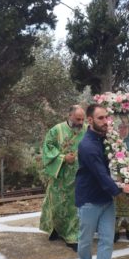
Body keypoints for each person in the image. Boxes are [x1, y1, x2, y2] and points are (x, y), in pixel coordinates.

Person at [76, 103, 129, 259]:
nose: (106, 121)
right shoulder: (87, 146)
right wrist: (122, 192)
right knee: (85, 240)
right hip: (89, 199)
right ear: (90, 120)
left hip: (106, 199)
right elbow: (101, 174)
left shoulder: (108, 140)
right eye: (100, 118)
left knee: (107, 240)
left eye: (107, 117)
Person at [39, 105, 86, 251]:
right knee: (57, 204)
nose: (81, 122)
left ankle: (72, 236)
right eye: (78, 119)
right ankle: (56, 229)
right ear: (70, 116)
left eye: (83, 119)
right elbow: (47, 148)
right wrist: (63, 158)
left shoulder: (86, 129)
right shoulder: (56, 130)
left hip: (81, 175)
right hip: (60, 175)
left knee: (74, 206)